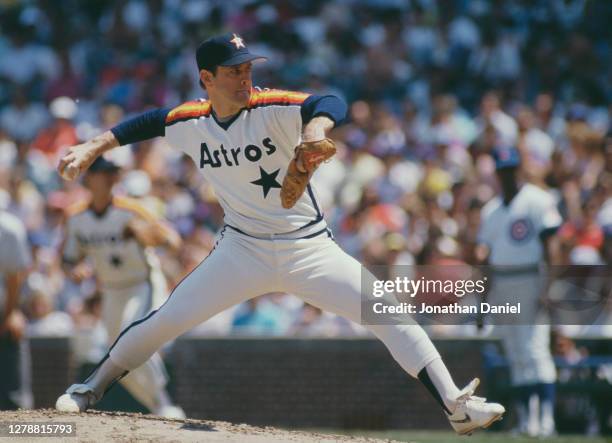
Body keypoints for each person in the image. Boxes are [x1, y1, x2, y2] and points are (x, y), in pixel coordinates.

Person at [55, 32, 504, 434]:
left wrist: (315, 128)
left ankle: (454, 406)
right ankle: (87, 390)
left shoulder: (270, 107)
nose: (245, 77)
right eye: (233, 71)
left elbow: (329, 101)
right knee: (166, 319)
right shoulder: (191, 121)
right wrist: (94, 145)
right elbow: (148, 122)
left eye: (248, 68)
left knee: (387, 311)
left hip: (308, 249)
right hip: (240, 250)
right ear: (206, 79)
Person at [60, 156, 184, 418]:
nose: (111, 177)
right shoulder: (76, 217)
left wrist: (145, 234)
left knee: (133, 336)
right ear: (88, 178)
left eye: (113, 172)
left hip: (142, 284)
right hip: (111, 290)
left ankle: (164, 402)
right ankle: (158, 406)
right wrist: (76, 271)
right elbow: (69, 260)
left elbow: (173, 241)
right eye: (103, 172)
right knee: (116, 353)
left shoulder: (132, 210)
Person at [476, 147, 561, 437]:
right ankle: (527, 420)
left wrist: (548, 286)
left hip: (530, 278)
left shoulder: (537, 200)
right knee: (514, 351)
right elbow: (486, 260)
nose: (508, 175)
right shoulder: (491, 211)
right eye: (503, 170)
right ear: (497, 174)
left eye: (512, 169)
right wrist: (483, 302)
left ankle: (546, 419)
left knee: (535, 348)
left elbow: (552, 246)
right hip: (502, 281)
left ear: (519, 170)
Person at [0, 209, 32, 409]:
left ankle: (18, 429)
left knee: (14, 403)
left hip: (3, 311)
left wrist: (10, 313)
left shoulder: (8, 228)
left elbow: (15, 276)